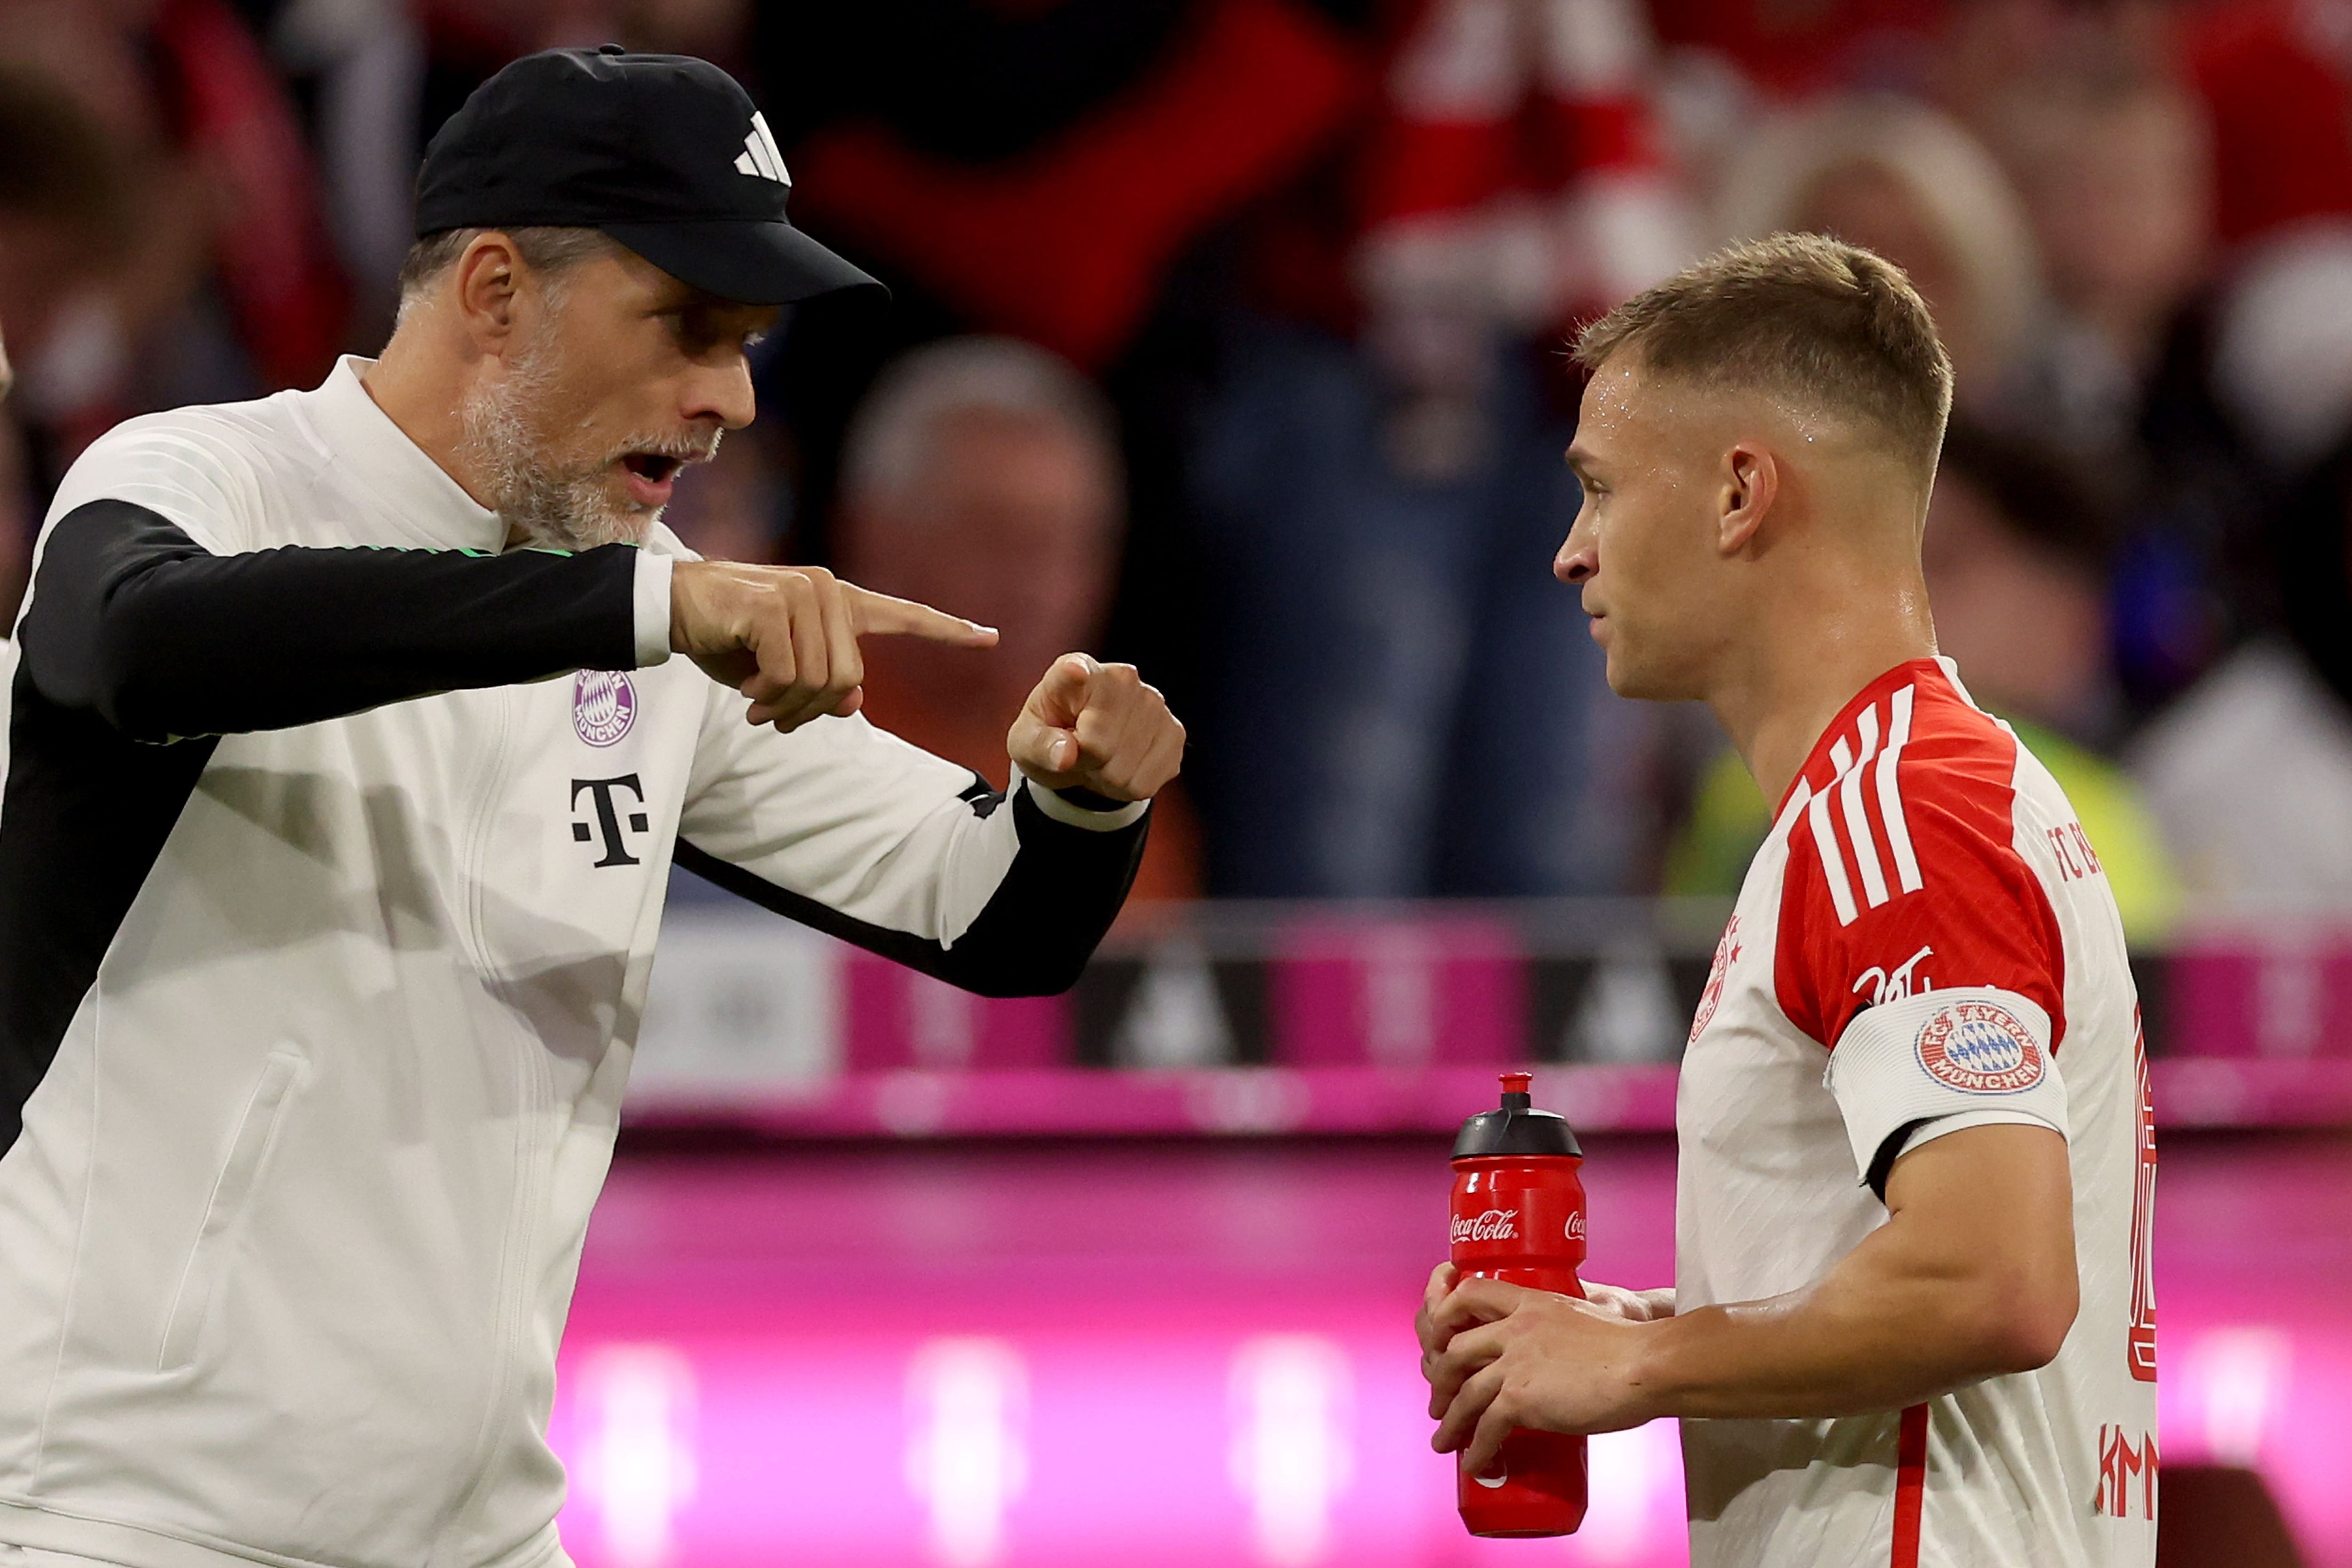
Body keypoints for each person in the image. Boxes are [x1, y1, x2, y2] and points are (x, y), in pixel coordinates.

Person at [0, 47, 1182, 1568]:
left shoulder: (651, 613)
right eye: (689, 328)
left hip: (478, 1532)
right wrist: (628, 609)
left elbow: (996, 915)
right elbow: (131, 643)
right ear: (495, 293)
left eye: (747, 342)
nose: (732, 399)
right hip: (116, 1512)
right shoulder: (202, 475)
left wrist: (1081, 796)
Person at [1416, 235, 2156, 1566]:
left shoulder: (1901, 814)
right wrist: (1622, 1336)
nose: (1569, 555)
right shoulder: (1906, 799)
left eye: (1597, 489)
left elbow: (1991, 1279)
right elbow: (1933, 1272)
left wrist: (1643, 1372)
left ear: (1740, 492)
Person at [838, 335, 1201, 901]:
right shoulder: (772, 731)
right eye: (998, 537)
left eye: (1073, 545)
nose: (1041, 586)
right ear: (878, 534)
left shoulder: (1120, 786)